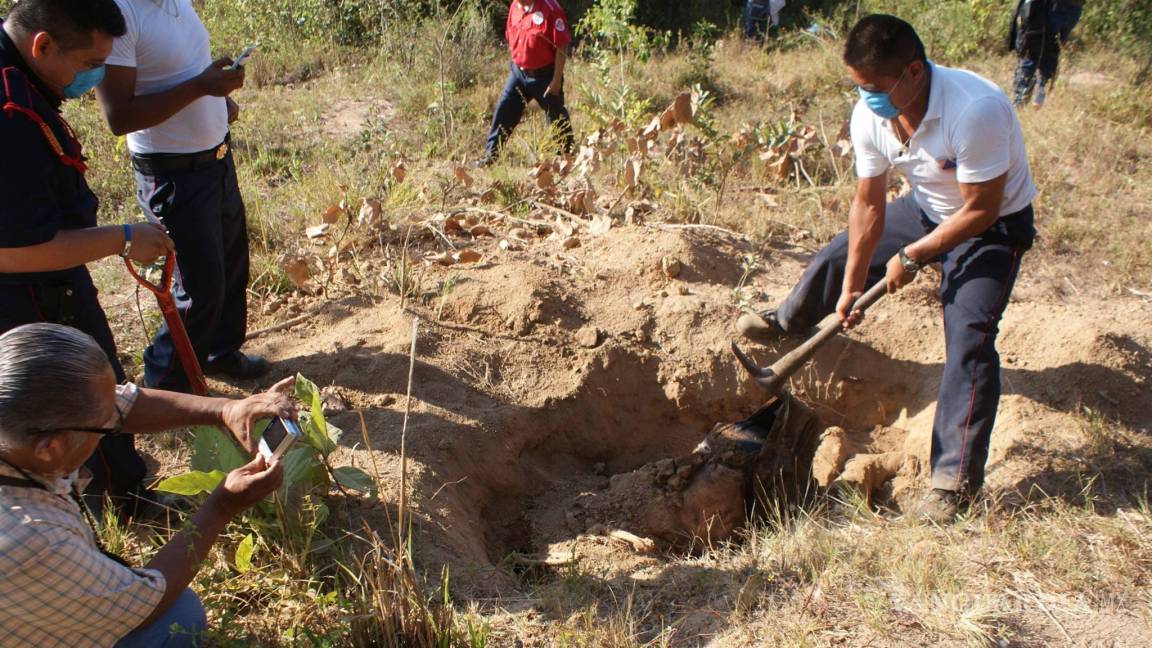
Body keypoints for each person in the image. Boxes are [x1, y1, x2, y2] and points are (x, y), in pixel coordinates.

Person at [735, 14, 1037, 523]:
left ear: (913, 73)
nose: (865, 97)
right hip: (927, 208)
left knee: (970, 336)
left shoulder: (976, 110)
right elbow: (869, 207)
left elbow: (981, 208)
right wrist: (853, 285)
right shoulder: (870, 115)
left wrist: (913, 256)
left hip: (993, 226)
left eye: (873, 87)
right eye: (858, 86)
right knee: (837, 255)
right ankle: (790, 321)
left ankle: (952, 482)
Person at [0, 323, 293, 646]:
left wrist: (226, 409)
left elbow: (123, 405)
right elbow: (144, 605)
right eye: (105, 426)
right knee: (178, 617)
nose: (115, 417)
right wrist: (221, 506)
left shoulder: (21, 428)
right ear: (50, 449)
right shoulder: (30, 537)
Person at [0, 0, 176, 520]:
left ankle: (119, 490)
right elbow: (15, 251)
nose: (93, 78)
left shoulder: (21, 75)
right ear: (43, 45)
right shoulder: (9, 115)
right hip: (29, 300)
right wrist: (122, 238)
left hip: (49, 285)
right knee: (78, 398)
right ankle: (107, 507)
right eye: (86, 66)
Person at [96, 0, 269, 393]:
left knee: (230, 266)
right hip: (173, 175)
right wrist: (201, 88)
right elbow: (118, 117)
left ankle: (218, 354)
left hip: (216, 160)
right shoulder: (120, 14)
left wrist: (217, 99)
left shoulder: (176, 3)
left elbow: (183, 69)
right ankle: (165, 386)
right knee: (199, 285)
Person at [478, 0, 574, 166]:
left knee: (556, 115)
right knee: (504, 110)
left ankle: (566, 157)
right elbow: (511, 35)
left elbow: (561, 46)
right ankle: (490, 156)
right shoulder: (515, 7)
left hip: (545, 75)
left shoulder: (550, 8)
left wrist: (556, 80)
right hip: (519, 73)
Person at [1008, 0, 1062, 107]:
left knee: (1030, 57)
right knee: (1042, 52)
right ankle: (1031, 97)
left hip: (1036, 25)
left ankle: (1021, 101)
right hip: (1043, 21)